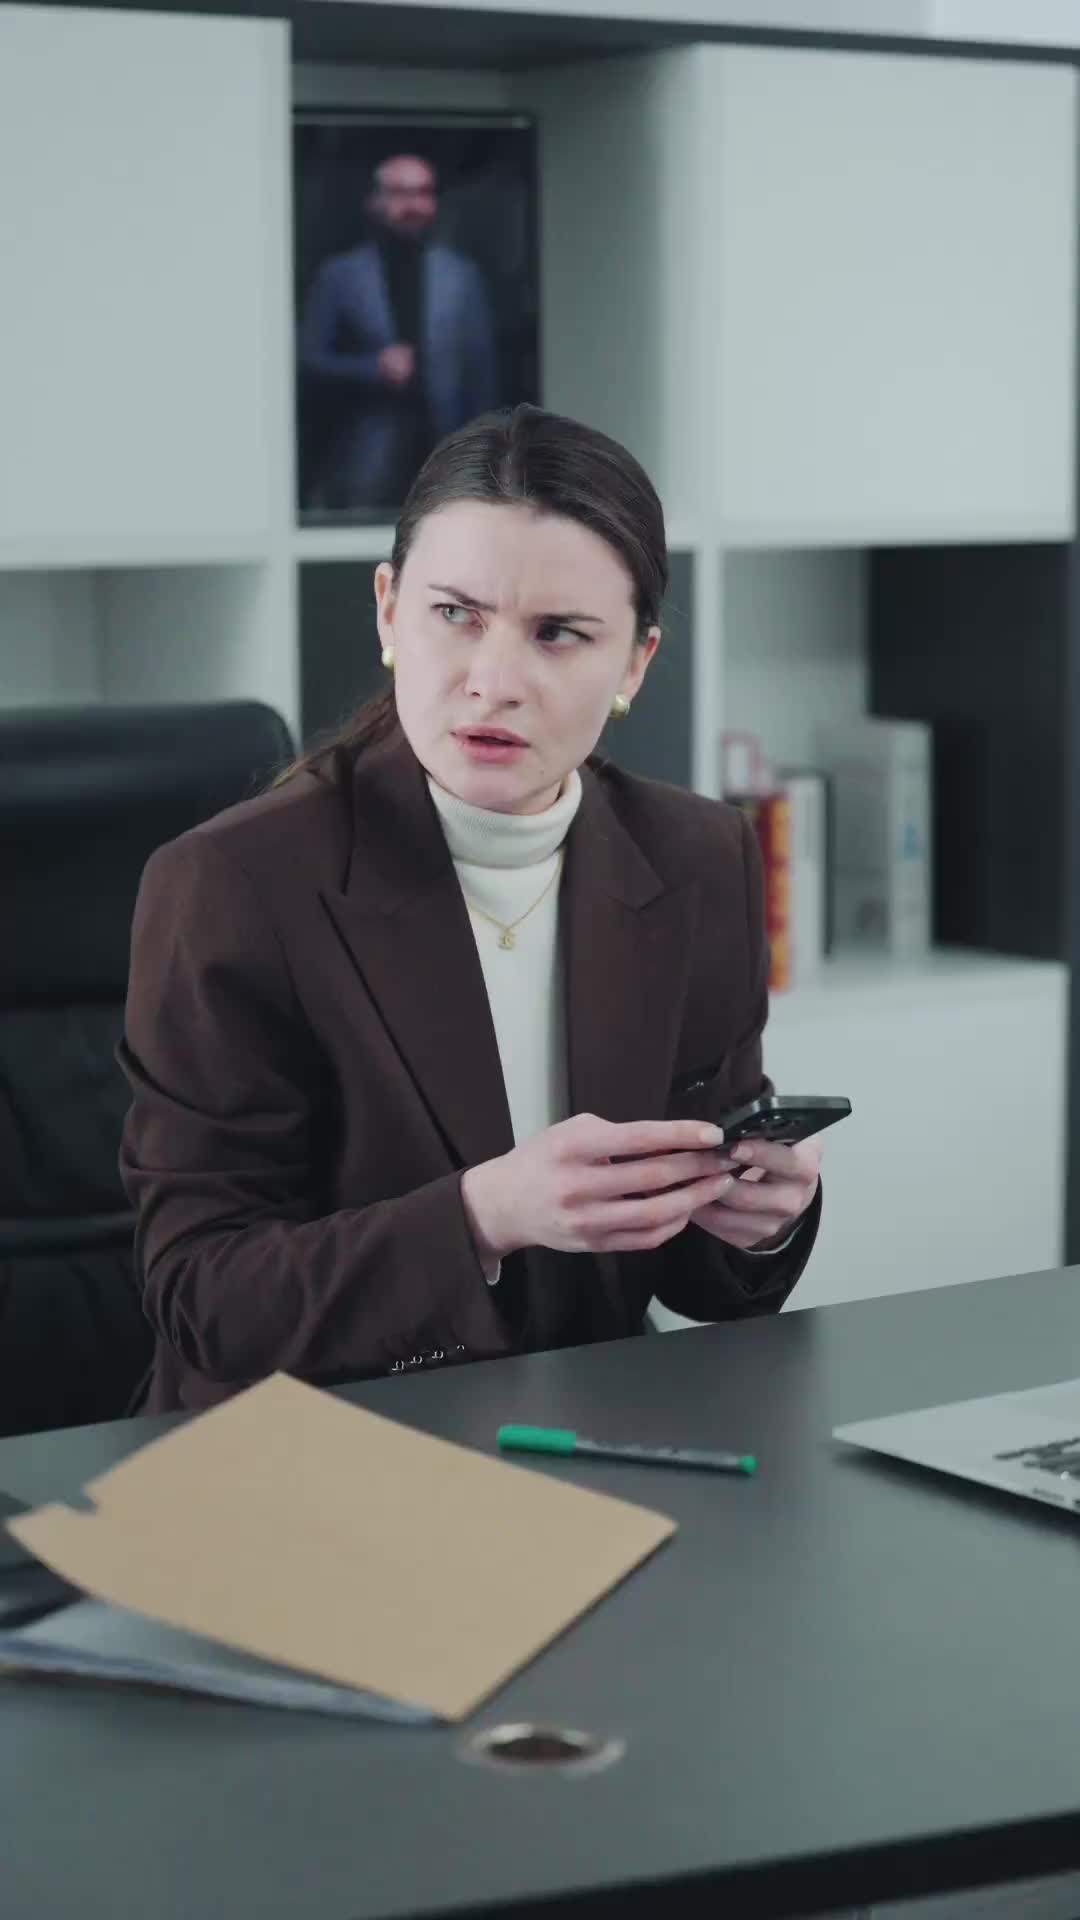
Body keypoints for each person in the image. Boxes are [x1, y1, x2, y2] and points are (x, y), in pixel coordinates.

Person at [118, 404, 823, 1416]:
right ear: (388, 611)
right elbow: (205, 1296)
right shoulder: (230, 885)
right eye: (456, 614)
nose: (494, 682)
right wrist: (482, 1217)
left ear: (635, 662)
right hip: (303, 1446)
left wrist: (760, 1222)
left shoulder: (698, 858)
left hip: (583, 1431)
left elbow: (697, 1284)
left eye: (558, 634)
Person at [298, 152, 497, 511]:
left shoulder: (461, 275)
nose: (413, 205)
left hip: (446, 451)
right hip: (366, 454)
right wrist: (371, 368)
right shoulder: (339, 275)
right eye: (400, 192)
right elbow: (308, 361)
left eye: (423, 192)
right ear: (374, 200)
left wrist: (487, 459)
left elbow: (482, 373)